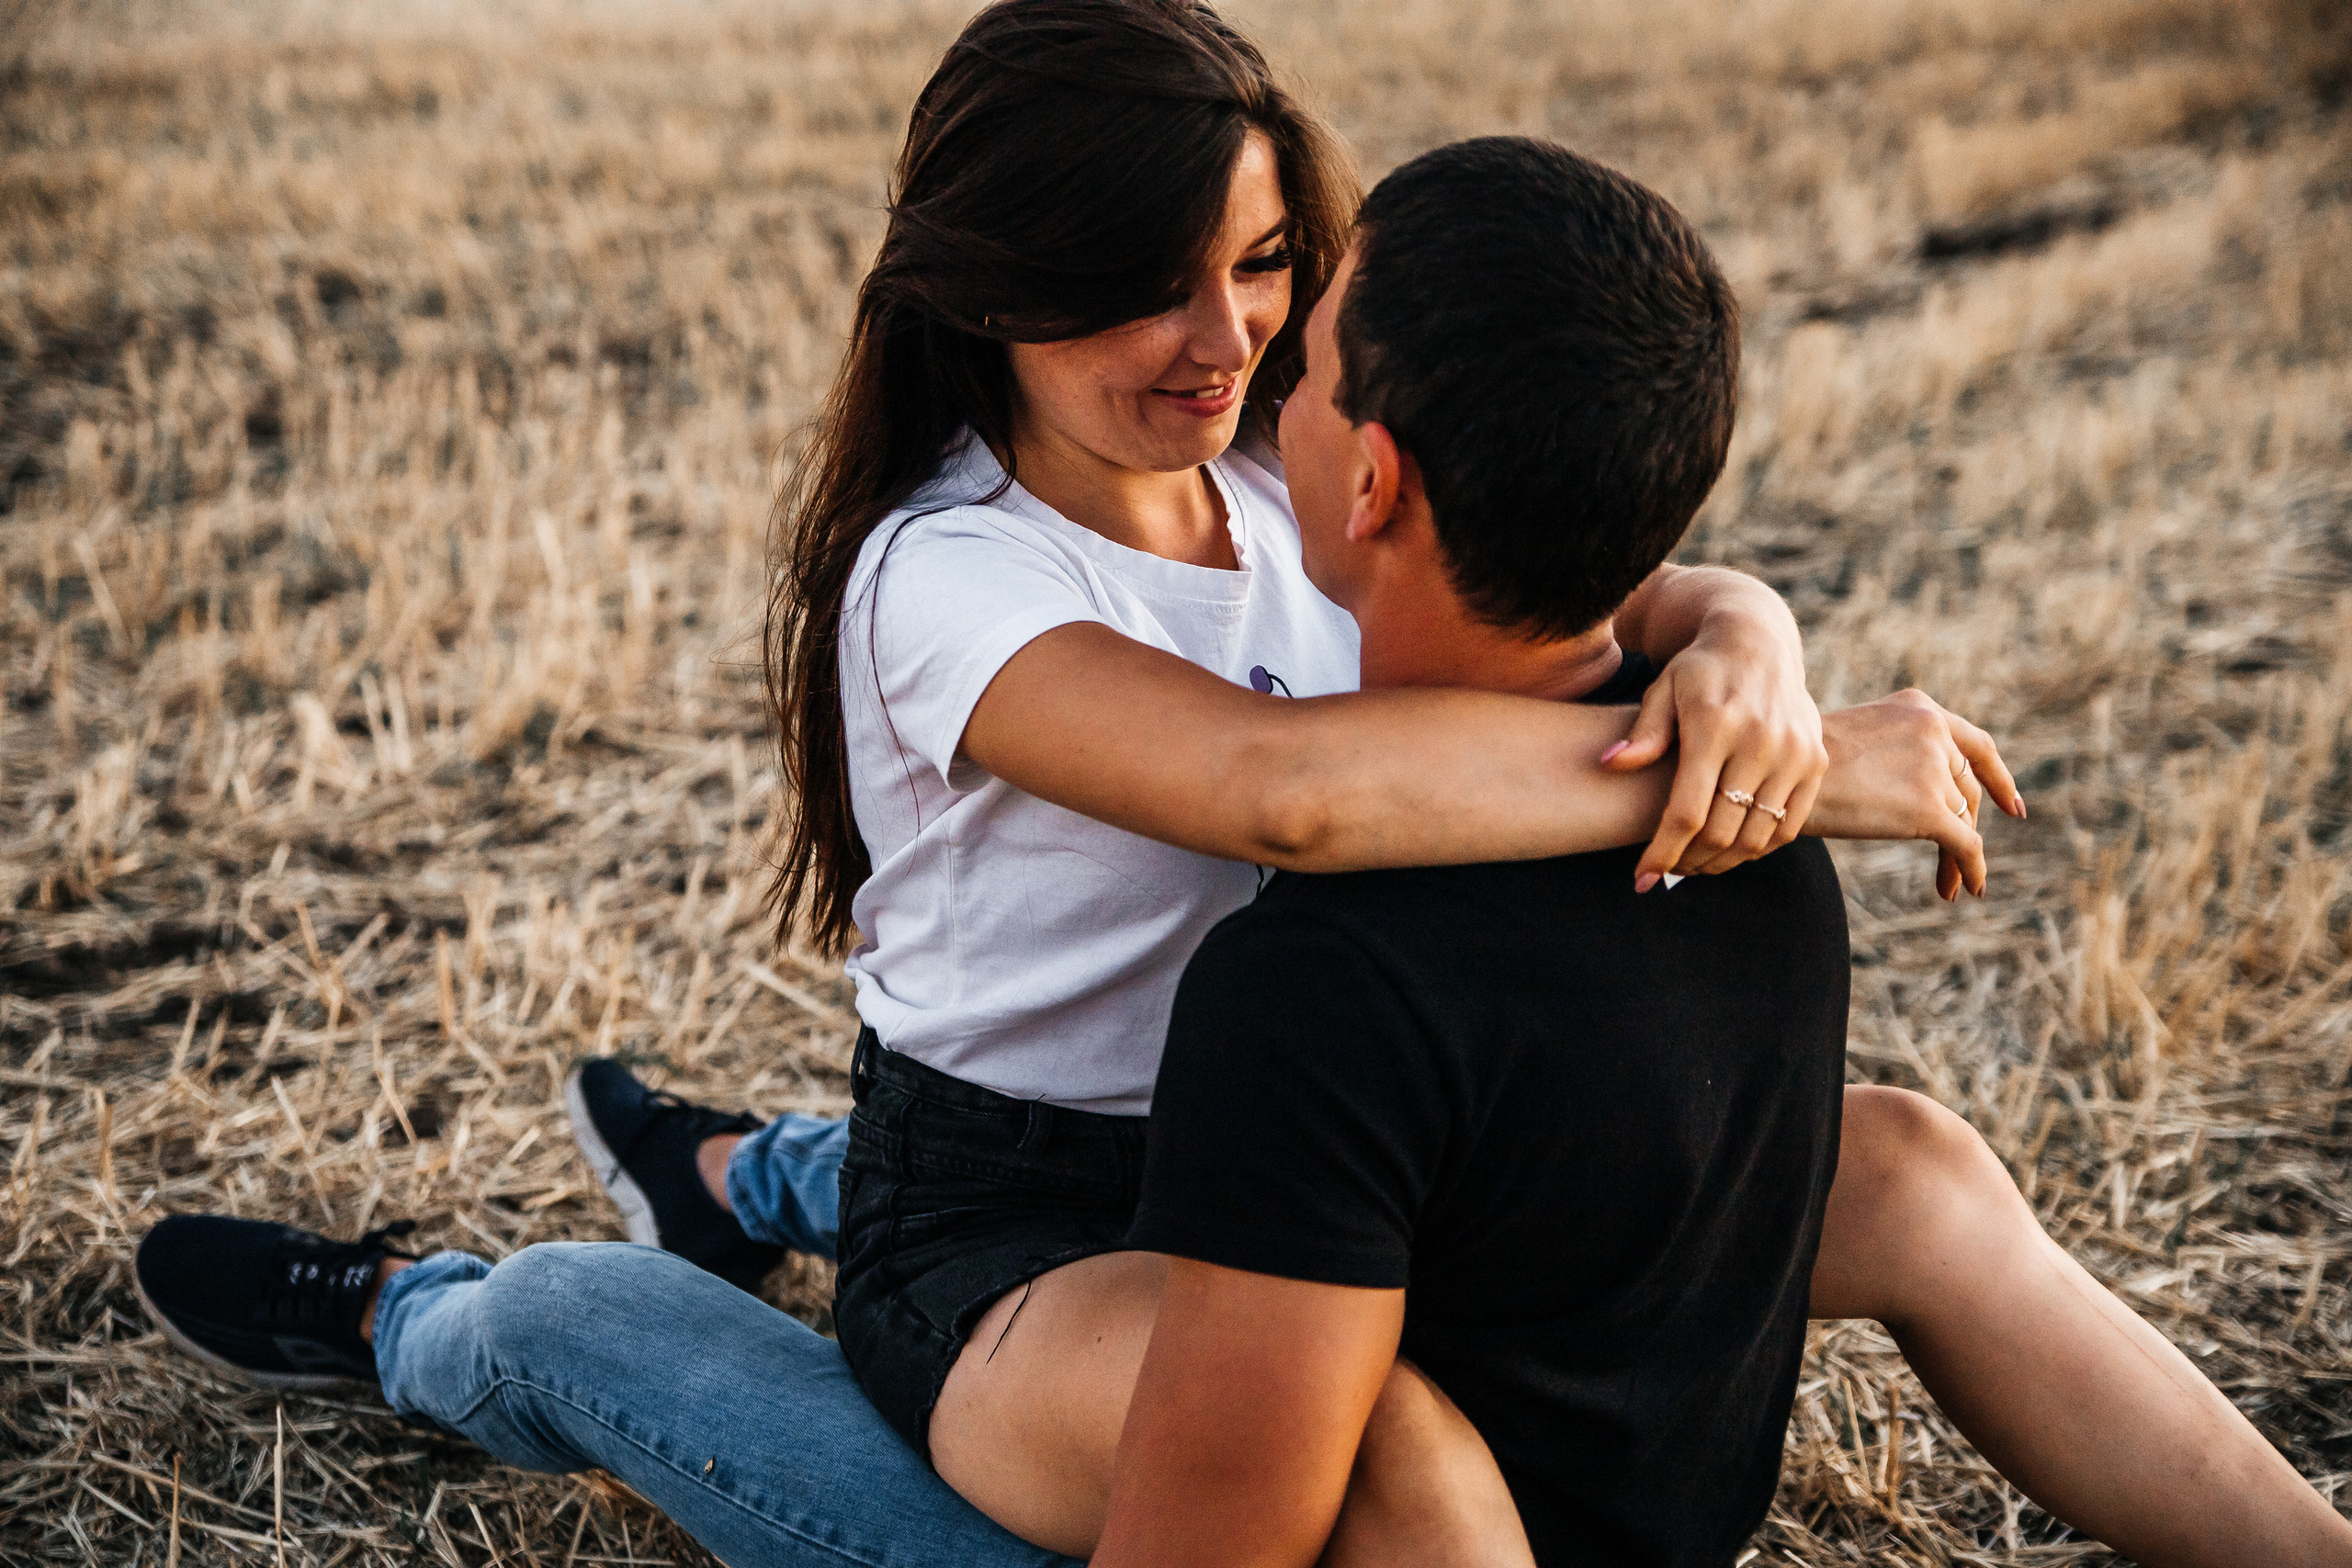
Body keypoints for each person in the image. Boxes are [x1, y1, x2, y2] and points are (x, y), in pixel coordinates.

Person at [130, 4, 2346, 1565]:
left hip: (1315, 1157)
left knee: (1919, 1169)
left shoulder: (1296, 482)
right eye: (1135, 285)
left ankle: (741, 1165)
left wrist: (1752, 662)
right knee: (1332, 1464)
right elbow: (1282, 795)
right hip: (1020, 1215)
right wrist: (1785, 775)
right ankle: (445, 1311)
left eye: (1264, 264)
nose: (1217, 336)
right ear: (983, 285)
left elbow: (1623, 587)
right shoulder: (949, 579)